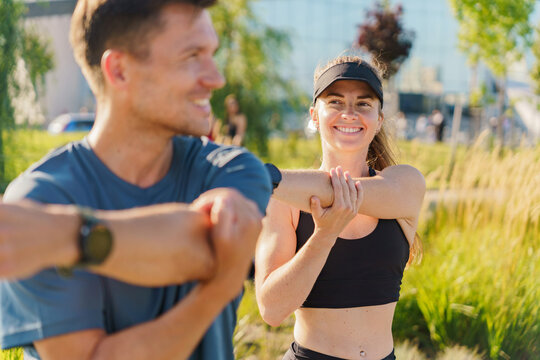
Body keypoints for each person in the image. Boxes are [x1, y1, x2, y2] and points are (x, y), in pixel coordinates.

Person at [0, 1, 272, 359]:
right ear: (120, 70)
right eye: (192, 56)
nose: (216, 78)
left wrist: (68, 235)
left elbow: (206, 246)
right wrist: (218, 287)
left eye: (212, 54)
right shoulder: (41, 196)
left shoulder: (231, 169)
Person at [255, 56, 425, 360]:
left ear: (379, 119)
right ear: (315, 116)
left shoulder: (405, 184)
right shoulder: (282, 202)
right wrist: (324, 235)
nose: (349, 113)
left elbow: (344, 191)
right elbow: (271, 309)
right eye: (335, 102)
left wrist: (263, 177)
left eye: (363, 104)